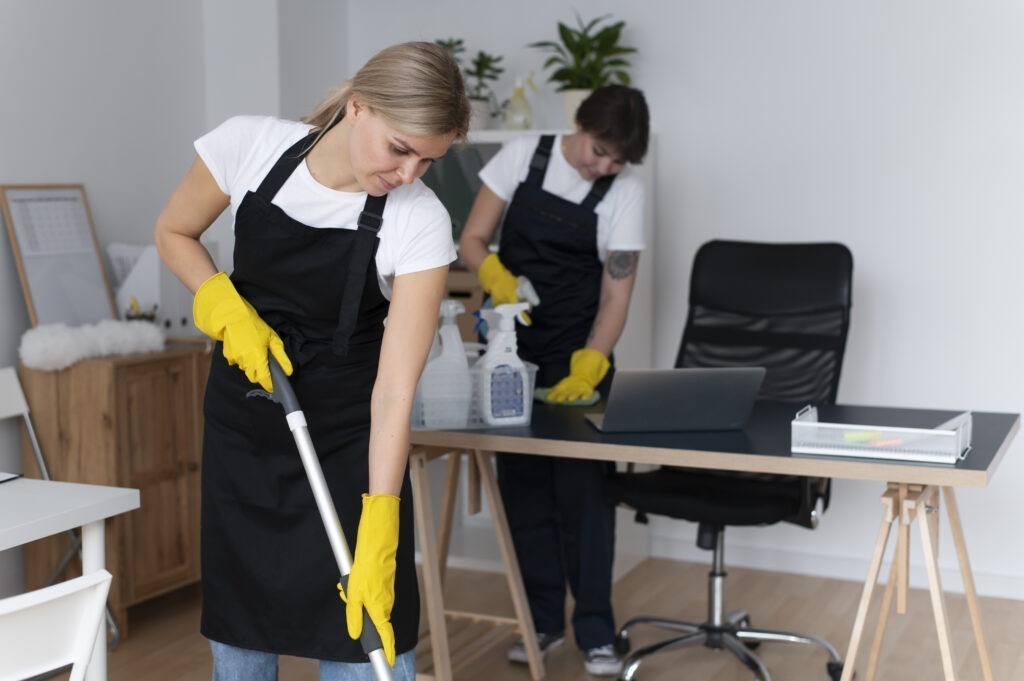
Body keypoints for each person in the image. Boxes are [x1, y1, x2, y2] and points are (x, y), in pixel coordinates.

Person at [154, 42, 469, 681]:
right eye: (400, 149)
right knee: (241, 643)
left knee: (369, 643)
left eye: (429, 161)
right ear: (358, 108)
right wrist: (221, 302)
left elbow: (394, 392)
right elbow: (174, 231)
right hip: (245, 432)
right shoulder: (249, 146)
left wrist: (382, 518)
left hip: (352, 441)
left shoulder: (420, 222)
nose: (409, 174)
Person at [458, 84, 650, 676]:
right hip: (511, 350)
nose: (605, 166)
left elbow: (617, 292)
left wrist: (592, 361)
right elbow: (472, 239)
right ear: (580, 125)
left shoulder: (625, 190)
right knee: (525, 490)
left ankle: (594, 628)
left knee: (586, 495)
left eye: (617, 160)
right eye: (599, 151)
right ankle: (539, 621)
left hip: (579, 353)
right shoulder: (523, 156)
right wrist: (493, 273)